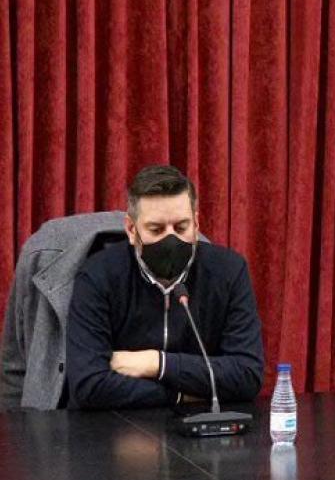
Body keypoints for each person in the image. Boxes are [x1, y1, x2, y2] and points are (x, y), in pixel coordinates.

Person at [65, 165, 264, 409]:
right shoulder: (98, 275)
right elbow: (88, 385)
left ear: (197, 223)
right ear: (131, 229)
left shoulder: (229, 271)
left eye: (181, 227)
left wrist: (156, 364)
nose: (171, 240)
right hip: (112, 431)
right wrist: (180, 397)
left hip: (198, 434)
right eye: (156, 229)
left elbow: (247, 376)